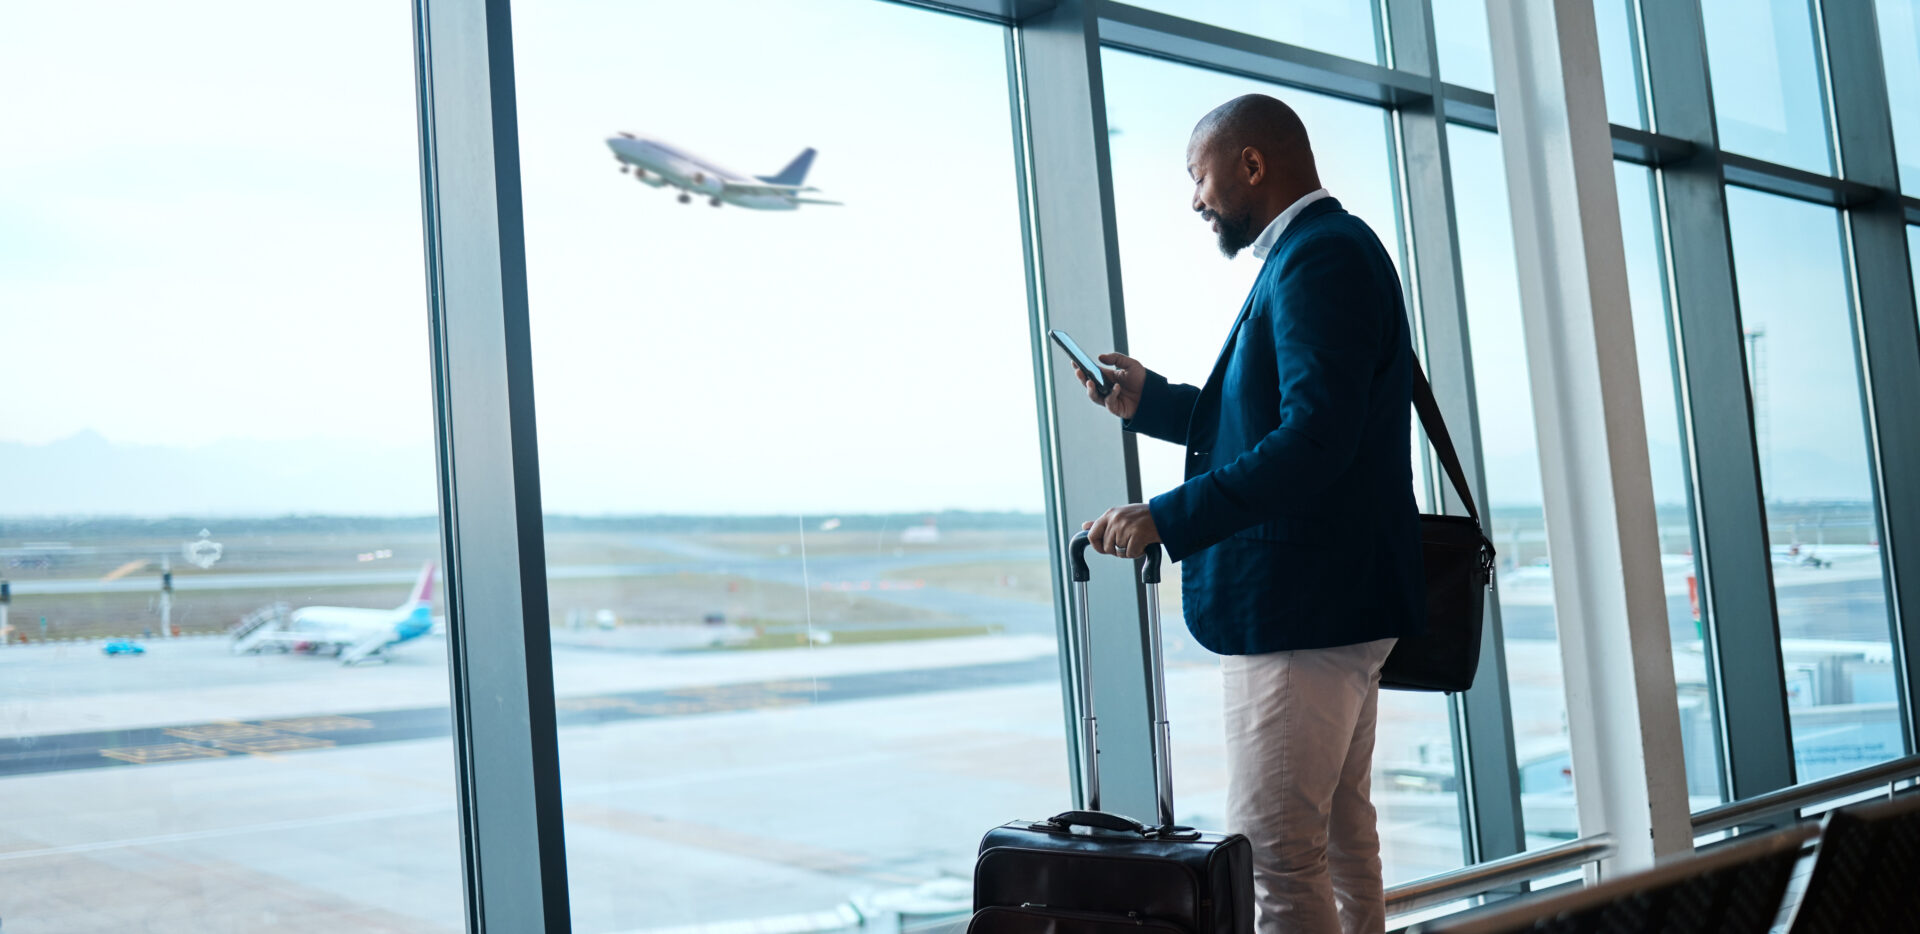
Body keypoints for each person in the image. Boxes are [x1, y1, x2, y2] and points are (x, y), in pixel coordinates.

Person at [1074, 94, 1426, 934]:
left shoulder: (1320, 259)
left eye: (1199, 176)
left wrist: (1168, 516)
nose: (1195, 199)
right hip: (1331, 603)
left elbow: (1313, 441)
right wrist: (1148, 402)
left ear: (1252, 165)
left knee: (1275, 853)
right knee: (1341, 840)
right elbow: (1268, 421)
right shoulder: (1318, 253)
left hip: (1301, 609)